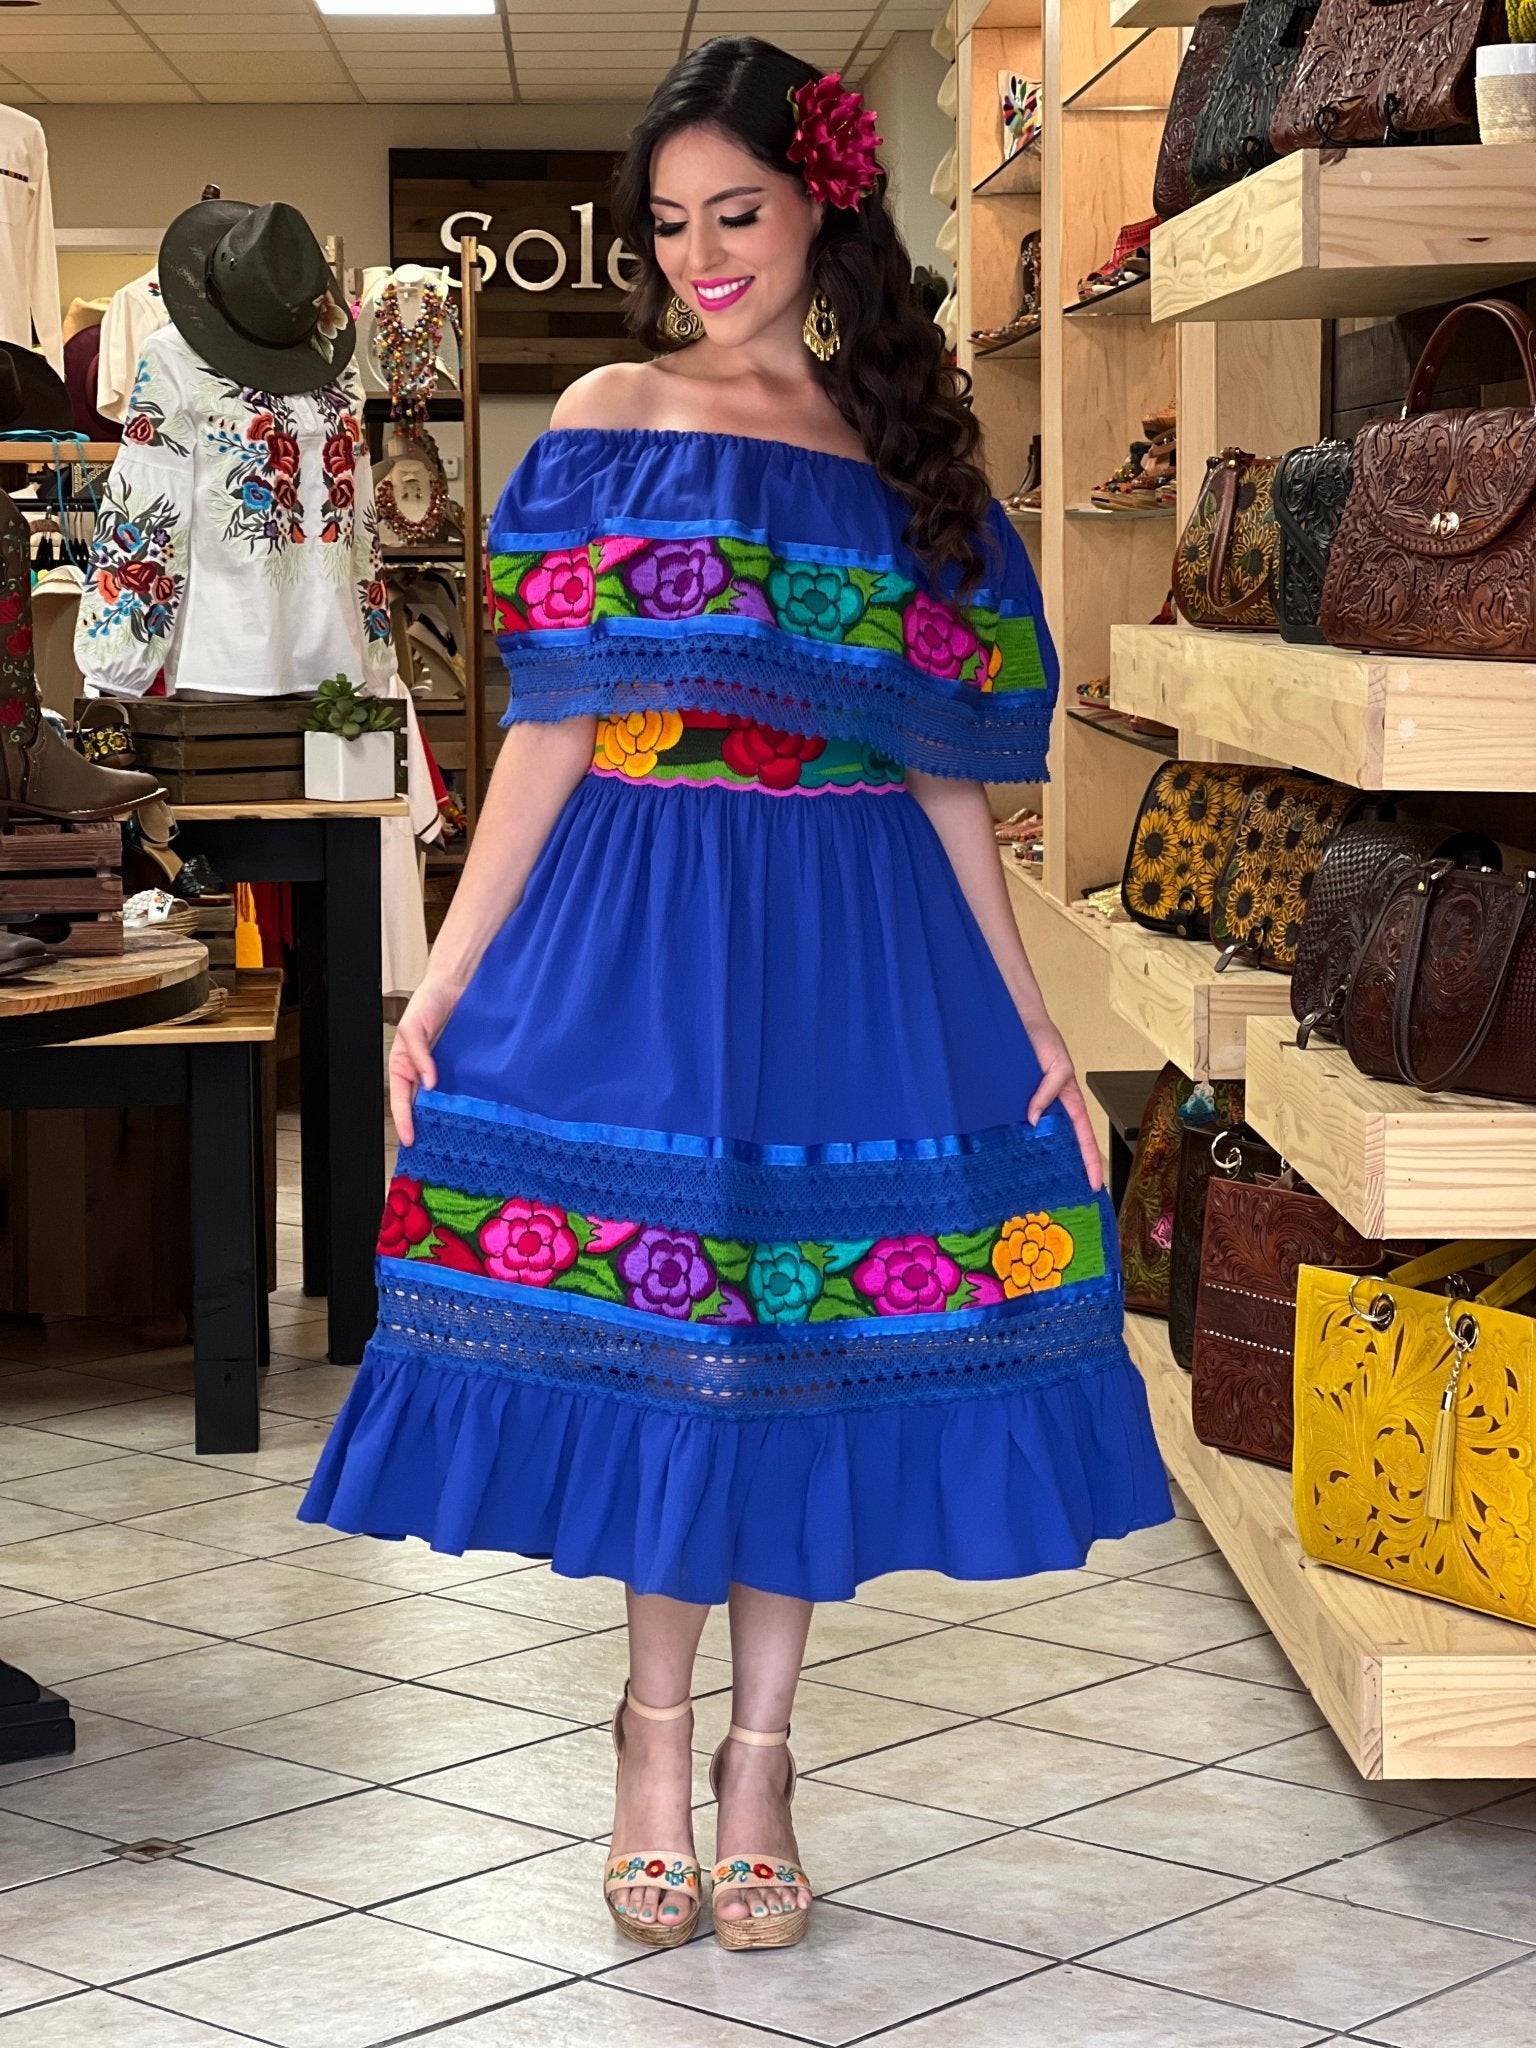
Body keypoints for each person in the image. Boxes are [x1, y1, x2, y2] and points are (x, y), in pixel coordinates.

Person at [298, 35, 1172, 1953]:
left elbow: (940, 764)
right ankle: (647, 1739)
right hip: (646, 911)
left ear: (819, 210)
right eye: (675, 223)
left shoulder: (902, 457)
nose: (705, 256)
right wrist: (433, 973)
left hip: (860, 933)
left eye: (741, 216)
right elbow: (549, 723)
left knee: (795, 1343)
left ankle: (761, 1766)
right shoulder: (614, 410)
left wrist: (1026, 1013)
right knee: (675, 1325)